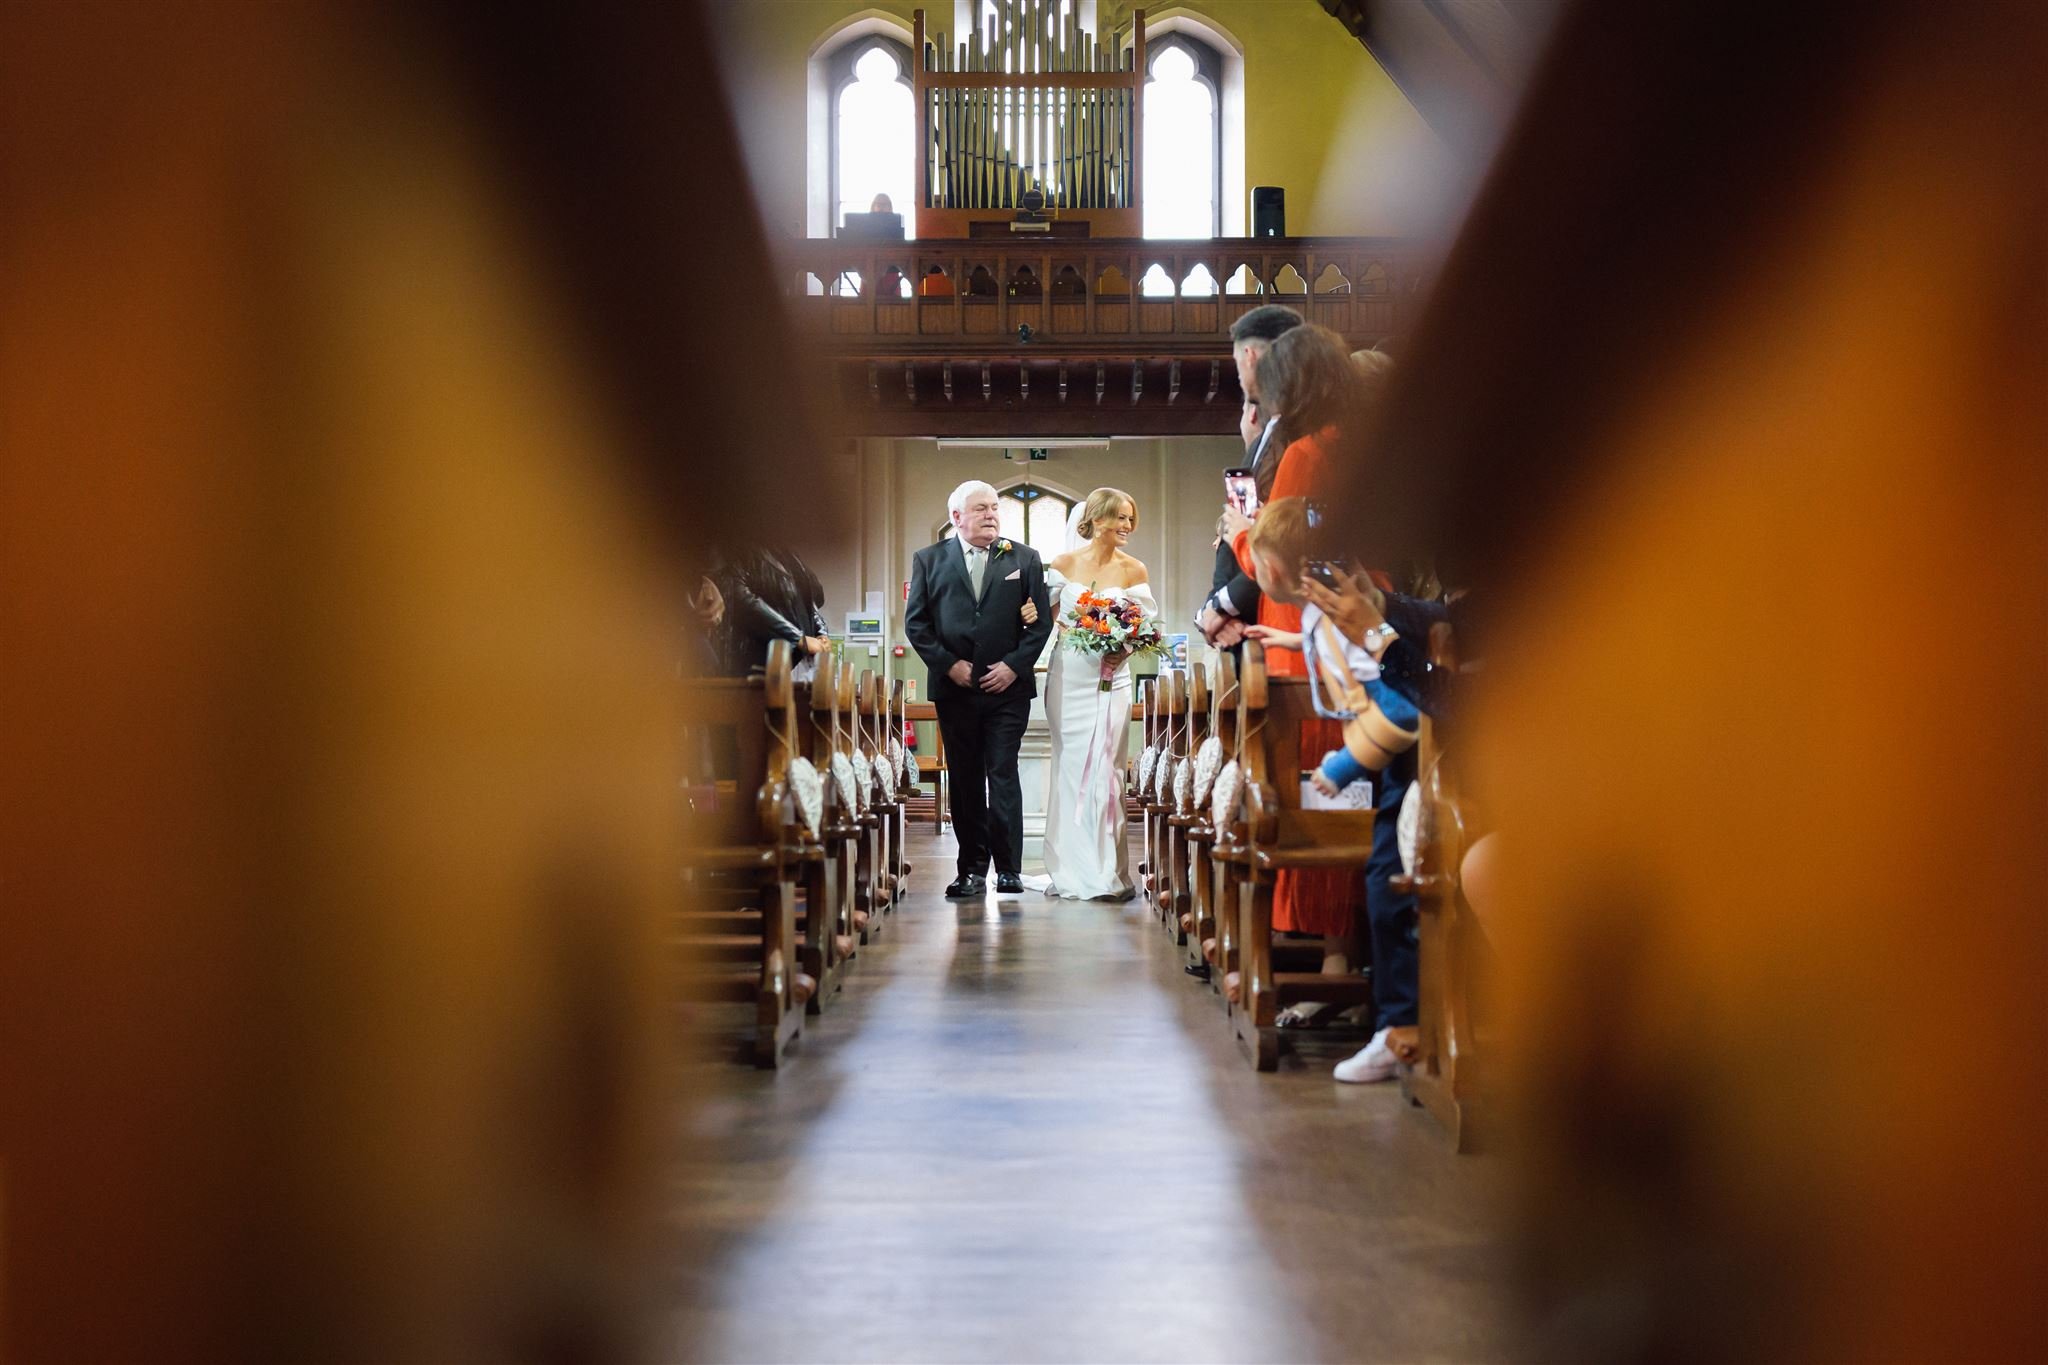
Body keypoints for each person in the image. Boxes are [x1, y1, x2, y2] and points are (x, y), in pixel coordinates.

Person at [903, 480, 1054, 900]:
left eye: (994, 508)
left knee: (1002, 773)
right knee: (966, 779)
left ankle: (1009, 870)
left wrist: (1013, 667)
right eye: (981, 508)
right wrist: (949, 665)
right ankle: (970, 869)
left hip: (1007, 690)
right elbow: (916, 623)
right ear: (957, 518)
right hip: (956, 691)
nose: (991, 514)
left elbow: (1040, 622)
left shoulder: (1022, 558)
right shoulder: (929, 560)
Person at [1039, 488, 1155, 900]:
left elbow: (1142, 627)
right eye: (1120, 518)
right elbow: (1055, 621)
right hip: (1070, 675)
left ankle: (1108, 870)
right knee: (1070, 765)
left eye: (1130, 519)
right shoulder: (1063, 564)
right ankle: (1069, 867)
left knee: (1107, 769)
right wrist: (1087, 634)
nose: (1127, 526)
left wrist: (1119, 648)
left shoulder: (1134, 569)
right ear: (1097, 519)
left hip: (1113, 676)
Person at [1198, 304, 1302, 652]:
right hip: (1249, 622)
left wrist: (1222, 607)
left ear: (1250, 355)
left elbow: (1284, 537)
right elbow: (1231, 532)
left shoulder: (1296, 434)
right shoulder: (1263, 437)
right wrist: (1213, 608)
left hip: (1279, 621)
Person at [711, 544, 832, 680]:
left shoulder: (790, 557)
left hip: (780, 666)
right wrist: (798, 639)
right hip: (746, 663)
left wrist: (821, 633)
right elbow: (744, 602)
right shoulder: (741, 554)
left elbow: (808, 601)